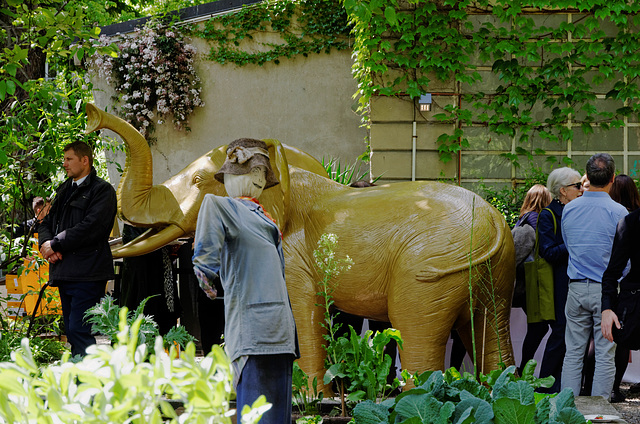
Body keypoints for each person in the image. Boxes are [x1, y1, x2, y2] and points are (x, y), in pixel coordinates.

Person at [192, 138, 299, 424]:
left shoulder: (265, 218)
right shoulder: (222, 206)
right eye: (255, 172)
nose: (259, 180)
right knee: (257, 413)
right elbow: (205, 255)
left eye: (263, 174)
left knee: (277, 415)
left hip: (281, 332)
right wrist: (207, 278)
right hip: (253, 333)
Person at [38, 141, 117, 357]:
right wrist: (47, 247)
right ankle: (81, 378)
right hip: (65, 272)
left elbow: (92, 227)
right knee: (72, 333)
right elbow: (45, 223)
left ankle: (90, 382)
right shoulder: (63, 190)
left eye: (69, 159)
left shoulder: (102, 190)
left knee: (81, 330)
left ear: (85, 160)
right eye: (64, 159)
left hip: (89, 273)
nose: (64, 164)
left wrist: (56, 243)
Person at [560, 153, 628, 399]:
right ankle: (601, 412)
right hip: (607, 293)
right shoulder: (619, 212)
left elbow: (568, 245)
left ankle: (567, 409)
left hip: (576, 287)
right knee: (605, 353)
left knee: (573, 352)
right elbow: (626, 259)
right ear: (612, 178)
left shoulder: (569, 210)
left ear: (586, 177)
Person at [531, 169, 582, 392]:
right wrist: (574, 242)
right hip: (558, 283)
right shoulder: (548, 214)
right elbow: (548, 252)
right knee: (561, 332)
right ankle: (545, 385)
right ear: (563, 190)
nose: (582, 189)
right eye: (577, 185)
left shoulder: (576, 211)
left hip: (573, 281)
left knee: (570, 334)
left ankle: (561, 385)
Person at [606, 174, 640, 402]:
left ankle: (613, 387)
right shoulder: (628, 219)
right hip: (630, 289)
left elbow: (614, 268)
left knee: (619, 341)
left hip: (631, 290)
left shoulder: (629, 222)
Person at [514, 184, 552, 374]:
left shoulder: (522, 219)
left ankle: (522, 369)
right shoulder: (537, 219)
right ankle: (524, 370)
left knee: (538, 326)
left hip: (520, 281)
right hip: (532, 281)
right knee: (539, 326)